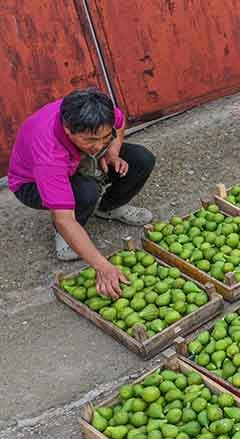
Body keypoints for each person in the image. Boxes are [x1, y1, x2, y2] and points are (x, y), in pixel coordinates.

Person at [8, 88, 155, 295]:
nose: (97, 146)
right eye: (90, 140)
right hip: (30, 184)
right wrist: (103, 267)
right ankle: (65, 238)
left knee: (141, 159)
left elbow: (119, 125)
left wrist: (112, 151)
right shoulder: (48, 153)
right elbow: (64, 218)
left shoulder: (102, 113)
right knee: (85, 192)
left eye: (104, 137)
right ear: (68, 130)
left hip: (77, 161)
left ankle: (108, 208)